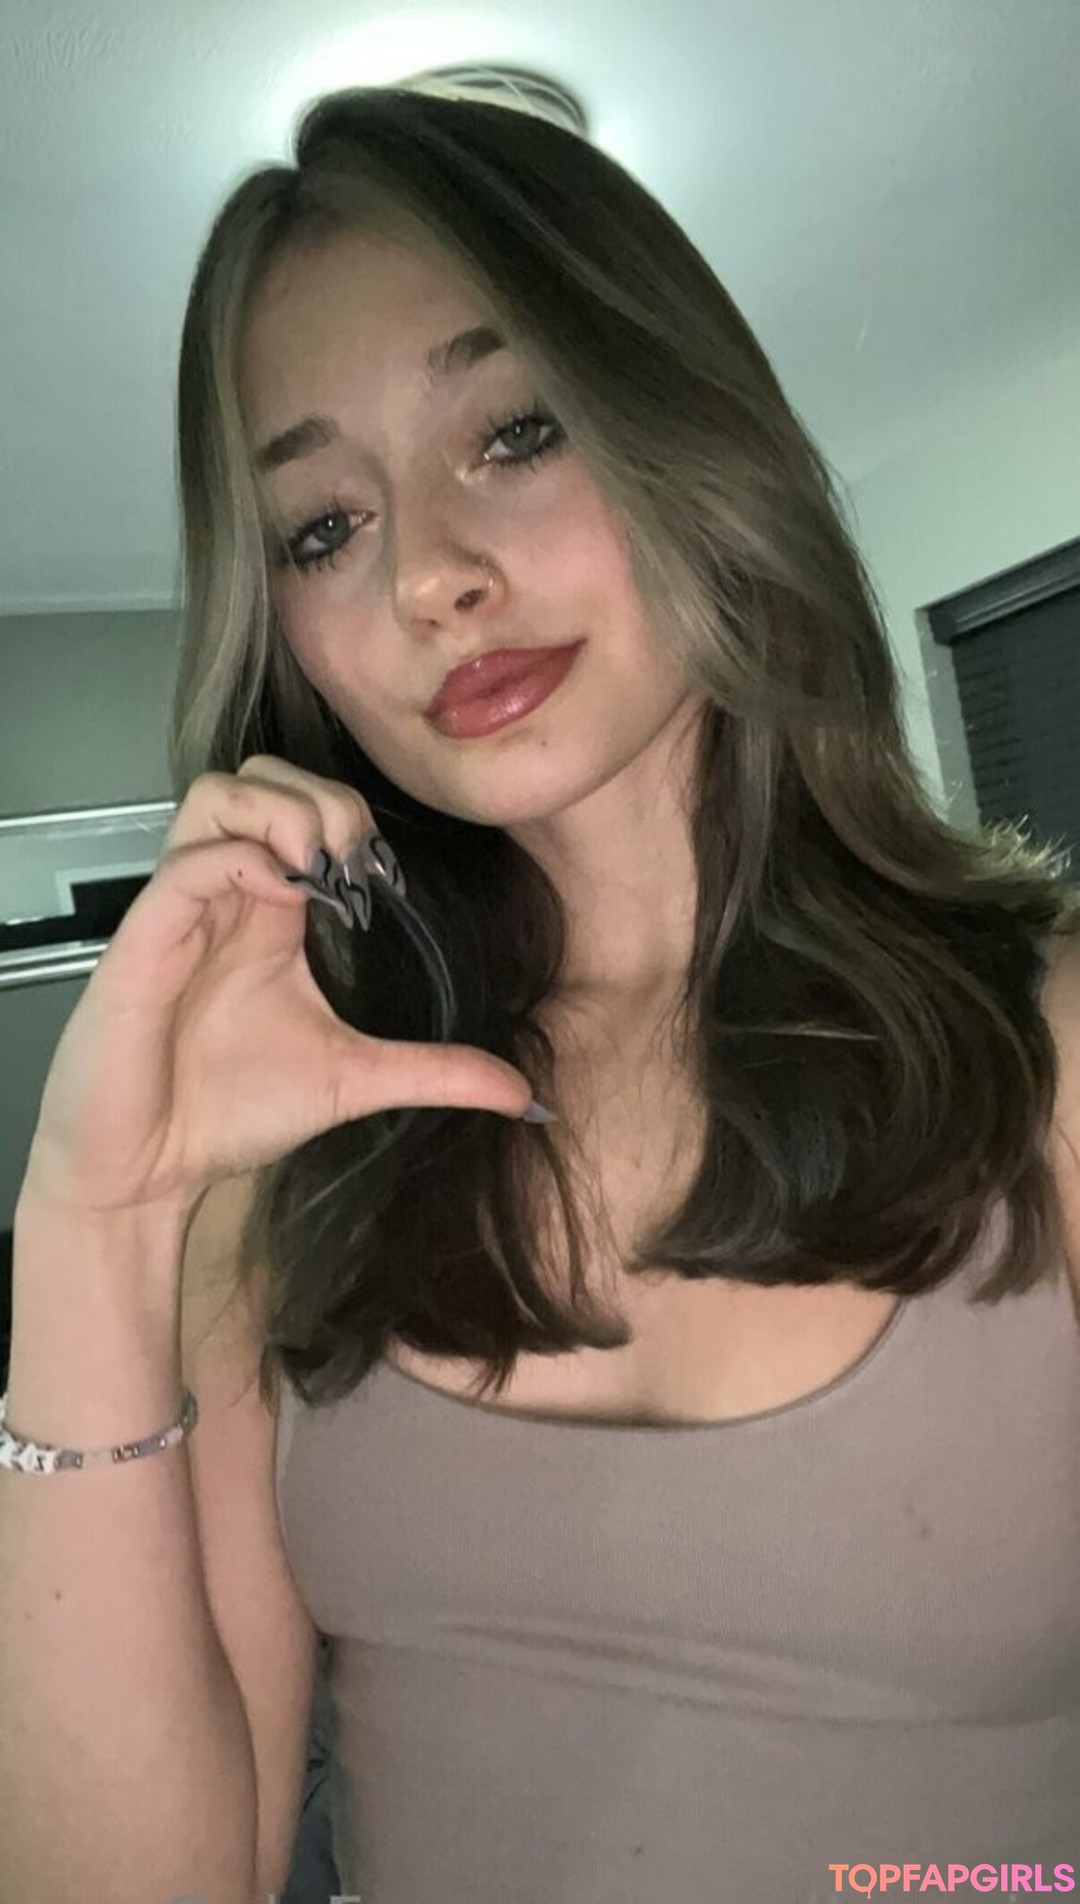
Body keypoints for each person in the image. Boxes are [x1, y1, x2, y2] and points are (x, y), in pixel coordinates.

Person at [4, 79, 1080, 1904]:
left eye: (514, 430)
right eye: (322, 529)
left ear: (687, 426)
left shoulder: (1046, 1050)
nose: (432, 575)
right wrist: (93, 1218)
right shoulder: (293, 1149)